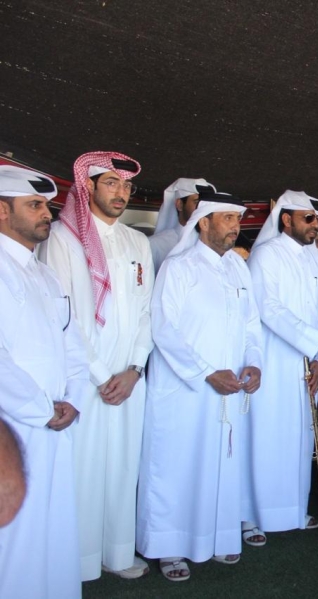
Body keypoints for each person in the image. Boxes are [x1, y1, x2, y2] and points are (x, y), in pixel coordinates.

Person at [136, 189, 263, 581]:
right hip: (185, 392)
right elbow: (164, 328)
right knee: (178, 466)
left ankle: (217, 537)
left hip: (229, 390)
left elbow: (251, 324)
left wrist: (254, 362)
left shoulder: (238, 267)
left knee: (221, 465)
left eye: (237, 219)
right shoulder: (179, 267)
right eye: (227, 218)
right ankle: (169, 547)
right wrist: (206, 372)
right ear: (203, 222)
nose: (235, 227)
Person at [38, 151, 154, 581]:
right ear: (87, 186)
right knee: (83, 470)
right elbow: (63, 319)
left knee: (123, 467)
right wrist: (104, 376)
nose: (121, 193)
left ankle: (118, 554)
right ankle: (79, 561)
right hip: (85, 380)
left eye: (126, 186)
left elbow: (147, 313)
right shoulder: (62, 239)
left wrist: (134, 369)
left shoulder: (138, 241)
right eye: (111, 183)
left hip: (129, 378)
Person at [0, 164, 91, 598]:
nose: (46, 214)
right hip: (15, 426)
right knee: (16, 532)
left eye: (46, 206)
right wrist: (40, 409)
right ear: (2, 211)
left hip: (55, 421)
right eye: (34, 205)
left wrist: (74, 399)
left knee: (52, 524)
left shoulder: (44, 273)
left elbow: (72, 345)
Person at [243, 191, 318, 543]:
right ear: (286, 220)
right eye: (308, 218)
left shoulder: (316, 259)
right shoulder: (265, 255)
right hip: (272, 363)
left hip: (306, 367)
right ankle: (251, 517)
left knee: (300, 439)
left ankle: (293, 510)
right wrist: (317, 341)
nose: (315, 225)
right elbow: (268, 309)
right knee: (266, 437)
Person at [149, 177, 214, 272]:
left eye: (205, 203)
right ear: (179, 204)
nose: (202, 209)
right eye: (197, 202)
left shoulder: (215, 244)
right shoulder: (156, 244)